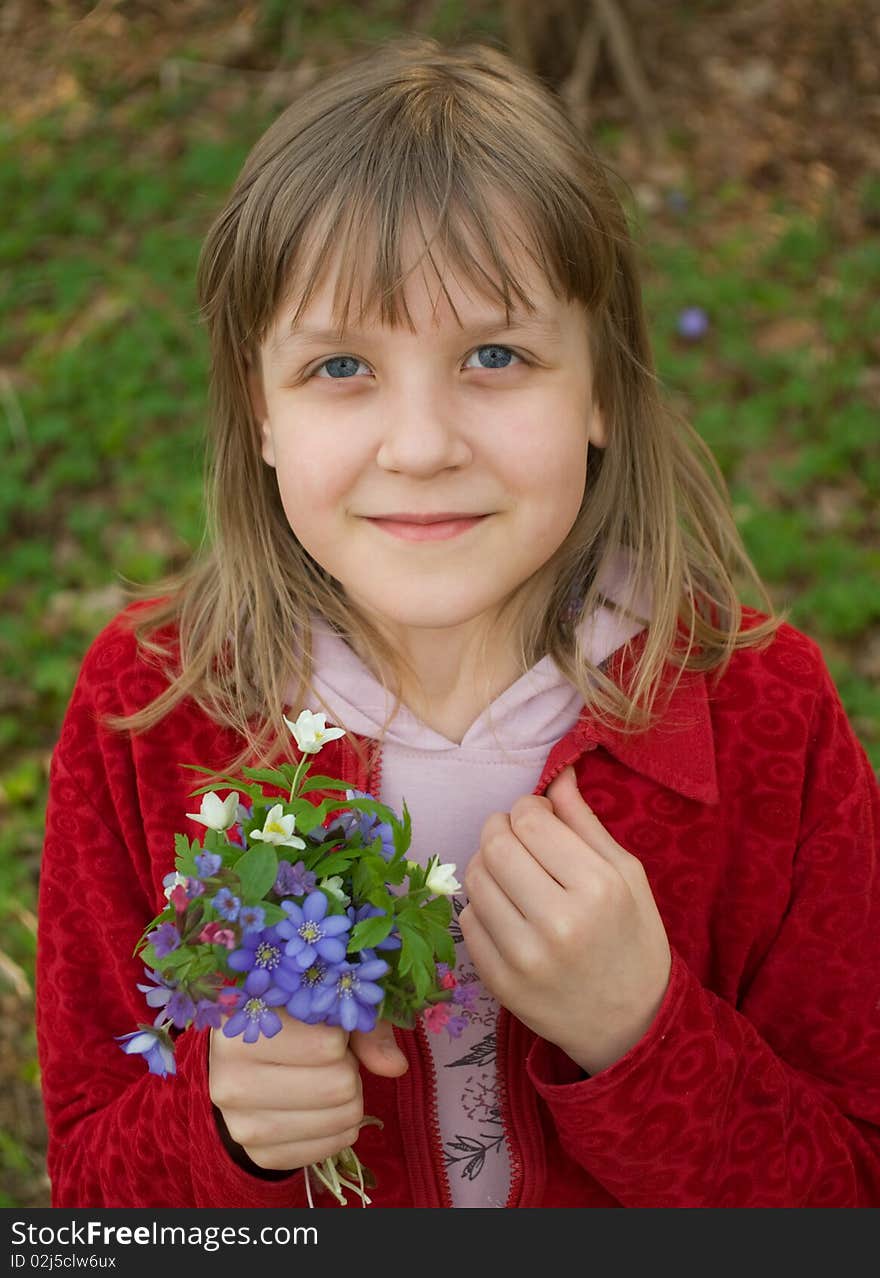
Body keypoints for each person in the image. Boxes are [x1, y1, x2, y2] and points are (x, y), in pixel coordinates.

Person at [36, 33, 880, 1210]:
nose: (422, 446)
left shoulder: (763, 717)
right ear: (258, 410)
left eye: (495, 354)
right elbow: (88, 1197)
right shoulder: (151, 711)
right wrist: (221, 1131)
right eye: (340, 367)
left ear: (598, 388)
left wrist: (646, 1038)